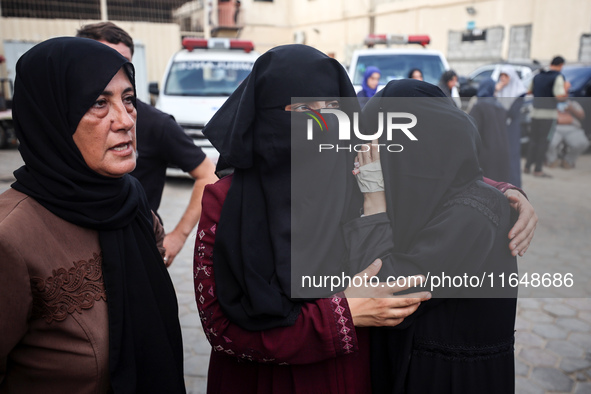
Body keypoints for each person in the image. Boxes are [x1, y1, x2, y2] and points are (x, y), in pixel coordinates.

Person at [194, 44, 431, 394]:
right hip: (255, 382)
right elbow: (219, 329)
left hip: (339, 379)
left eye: (333, 107)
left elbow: (450, 179)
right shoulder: (225, 201)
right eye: (304, 108)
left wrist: (508, 194)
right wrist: (340, 316)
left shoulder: (361, 180)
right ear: (264, 113)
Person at [0, 37, 185, 393]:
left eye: (128, 100)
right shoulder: (11, 238)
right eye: (99, 103)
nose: (125, 120)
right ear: (52, 116)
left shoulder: (129, 200)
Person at [357, 79, 517, 393]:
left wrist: (374, 202)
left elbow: (386, 294)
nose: (370, 159)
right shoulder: (422, 198)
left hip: (446, 379)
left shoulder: (476, 210)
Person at [77, 22, 218, 266]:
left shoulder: (155, 122)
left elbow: (208, 174)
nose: (123, 122)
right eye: (101, 59)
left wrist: (178, 237)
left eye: (121, 62)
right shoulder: (68, 119)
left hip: (138, 250)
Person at [524, 55, 569, 178]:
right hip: (548, 114)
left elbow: (529, 91)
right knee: (543, 142)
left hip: (535, 113)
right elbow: (559, 96)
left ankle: (527, 167)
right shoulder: (558, 77)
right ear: (561, 65)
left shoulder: (538, 75)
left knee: (533, 140)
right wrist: (566, 89)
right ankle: (538, 169)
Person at [468, 78, 511, 182]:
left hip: (486, 153)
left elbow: (471, 129)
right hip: (502, 152)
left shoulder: (479, 106)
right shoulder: (500, 107)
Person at [495, 65, 528, 187]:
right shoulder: (499, 90)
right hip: (499, 127)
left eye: (506, 75)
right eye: (501, 75)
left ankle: (513, 185)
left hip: (511, 128)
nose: (503, 78)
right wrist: (497, 90)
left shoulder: (519, 92)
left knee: (511, 155)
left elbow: (512, 112)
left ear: (512, 77)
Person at [546, 99, 589, 169]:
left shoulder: (573, 103)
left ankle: (568, 160)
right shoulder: (549, 102)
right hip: (554, 127)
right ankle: (552, 160)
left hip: (571, 127)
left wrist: (571, 108)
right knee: (547, 141)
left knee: (583, 143)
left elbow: (582, 115)